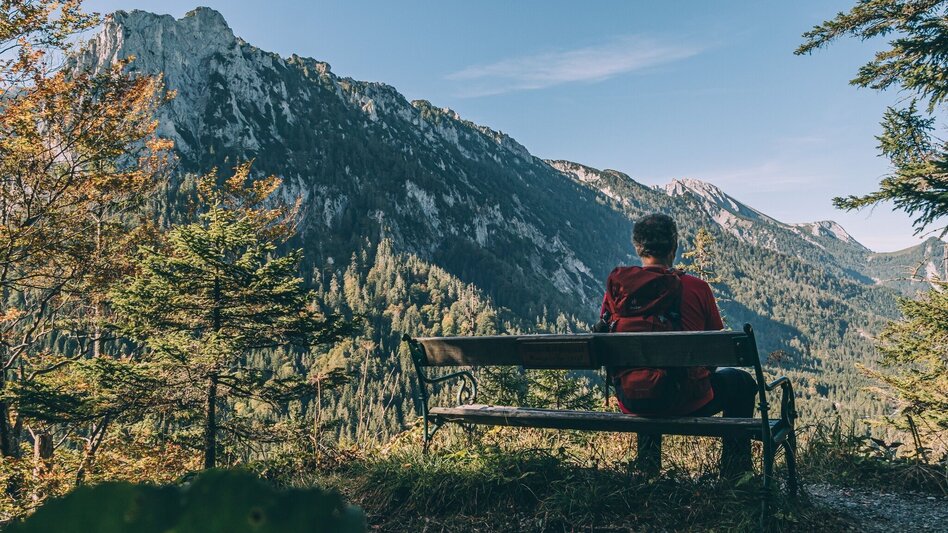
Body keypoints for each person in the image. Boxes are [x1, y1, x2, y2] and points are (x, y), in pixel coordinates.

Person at [598, 213, 757, 474]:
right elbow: (715, 350)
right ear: (674, 246)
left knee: (646, 378)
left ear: (638, 248)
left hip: (632, 399)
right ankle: (736, 473)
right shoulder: (696, 288)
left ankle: (648, 470)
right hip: (684, 400)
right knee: (741, 382)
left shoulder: (618, 292)